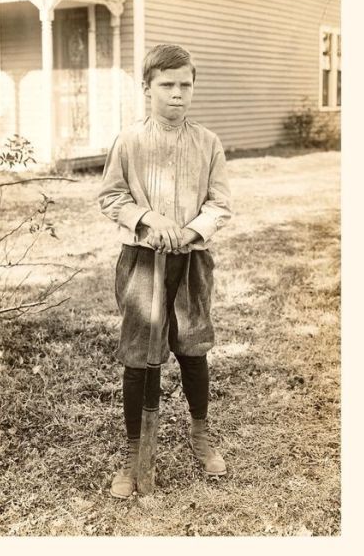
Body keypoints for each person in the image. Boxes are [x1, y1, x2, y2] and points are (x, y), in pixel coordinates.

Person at [99, 43, 232, 499]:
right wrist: (149, 219)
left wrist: (190, 232)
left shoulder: (208, 142)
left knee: (193, 346)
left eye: (186, 85)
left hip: (190, 261)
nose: (178, 94)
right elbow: (111, 197)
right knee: (139, 354)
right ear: (147, 88)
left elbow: (220, 204)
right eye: (167, 85)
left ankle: (200, 435)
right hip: (141, 261)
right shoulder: (129, 141)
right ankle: (134, 453)